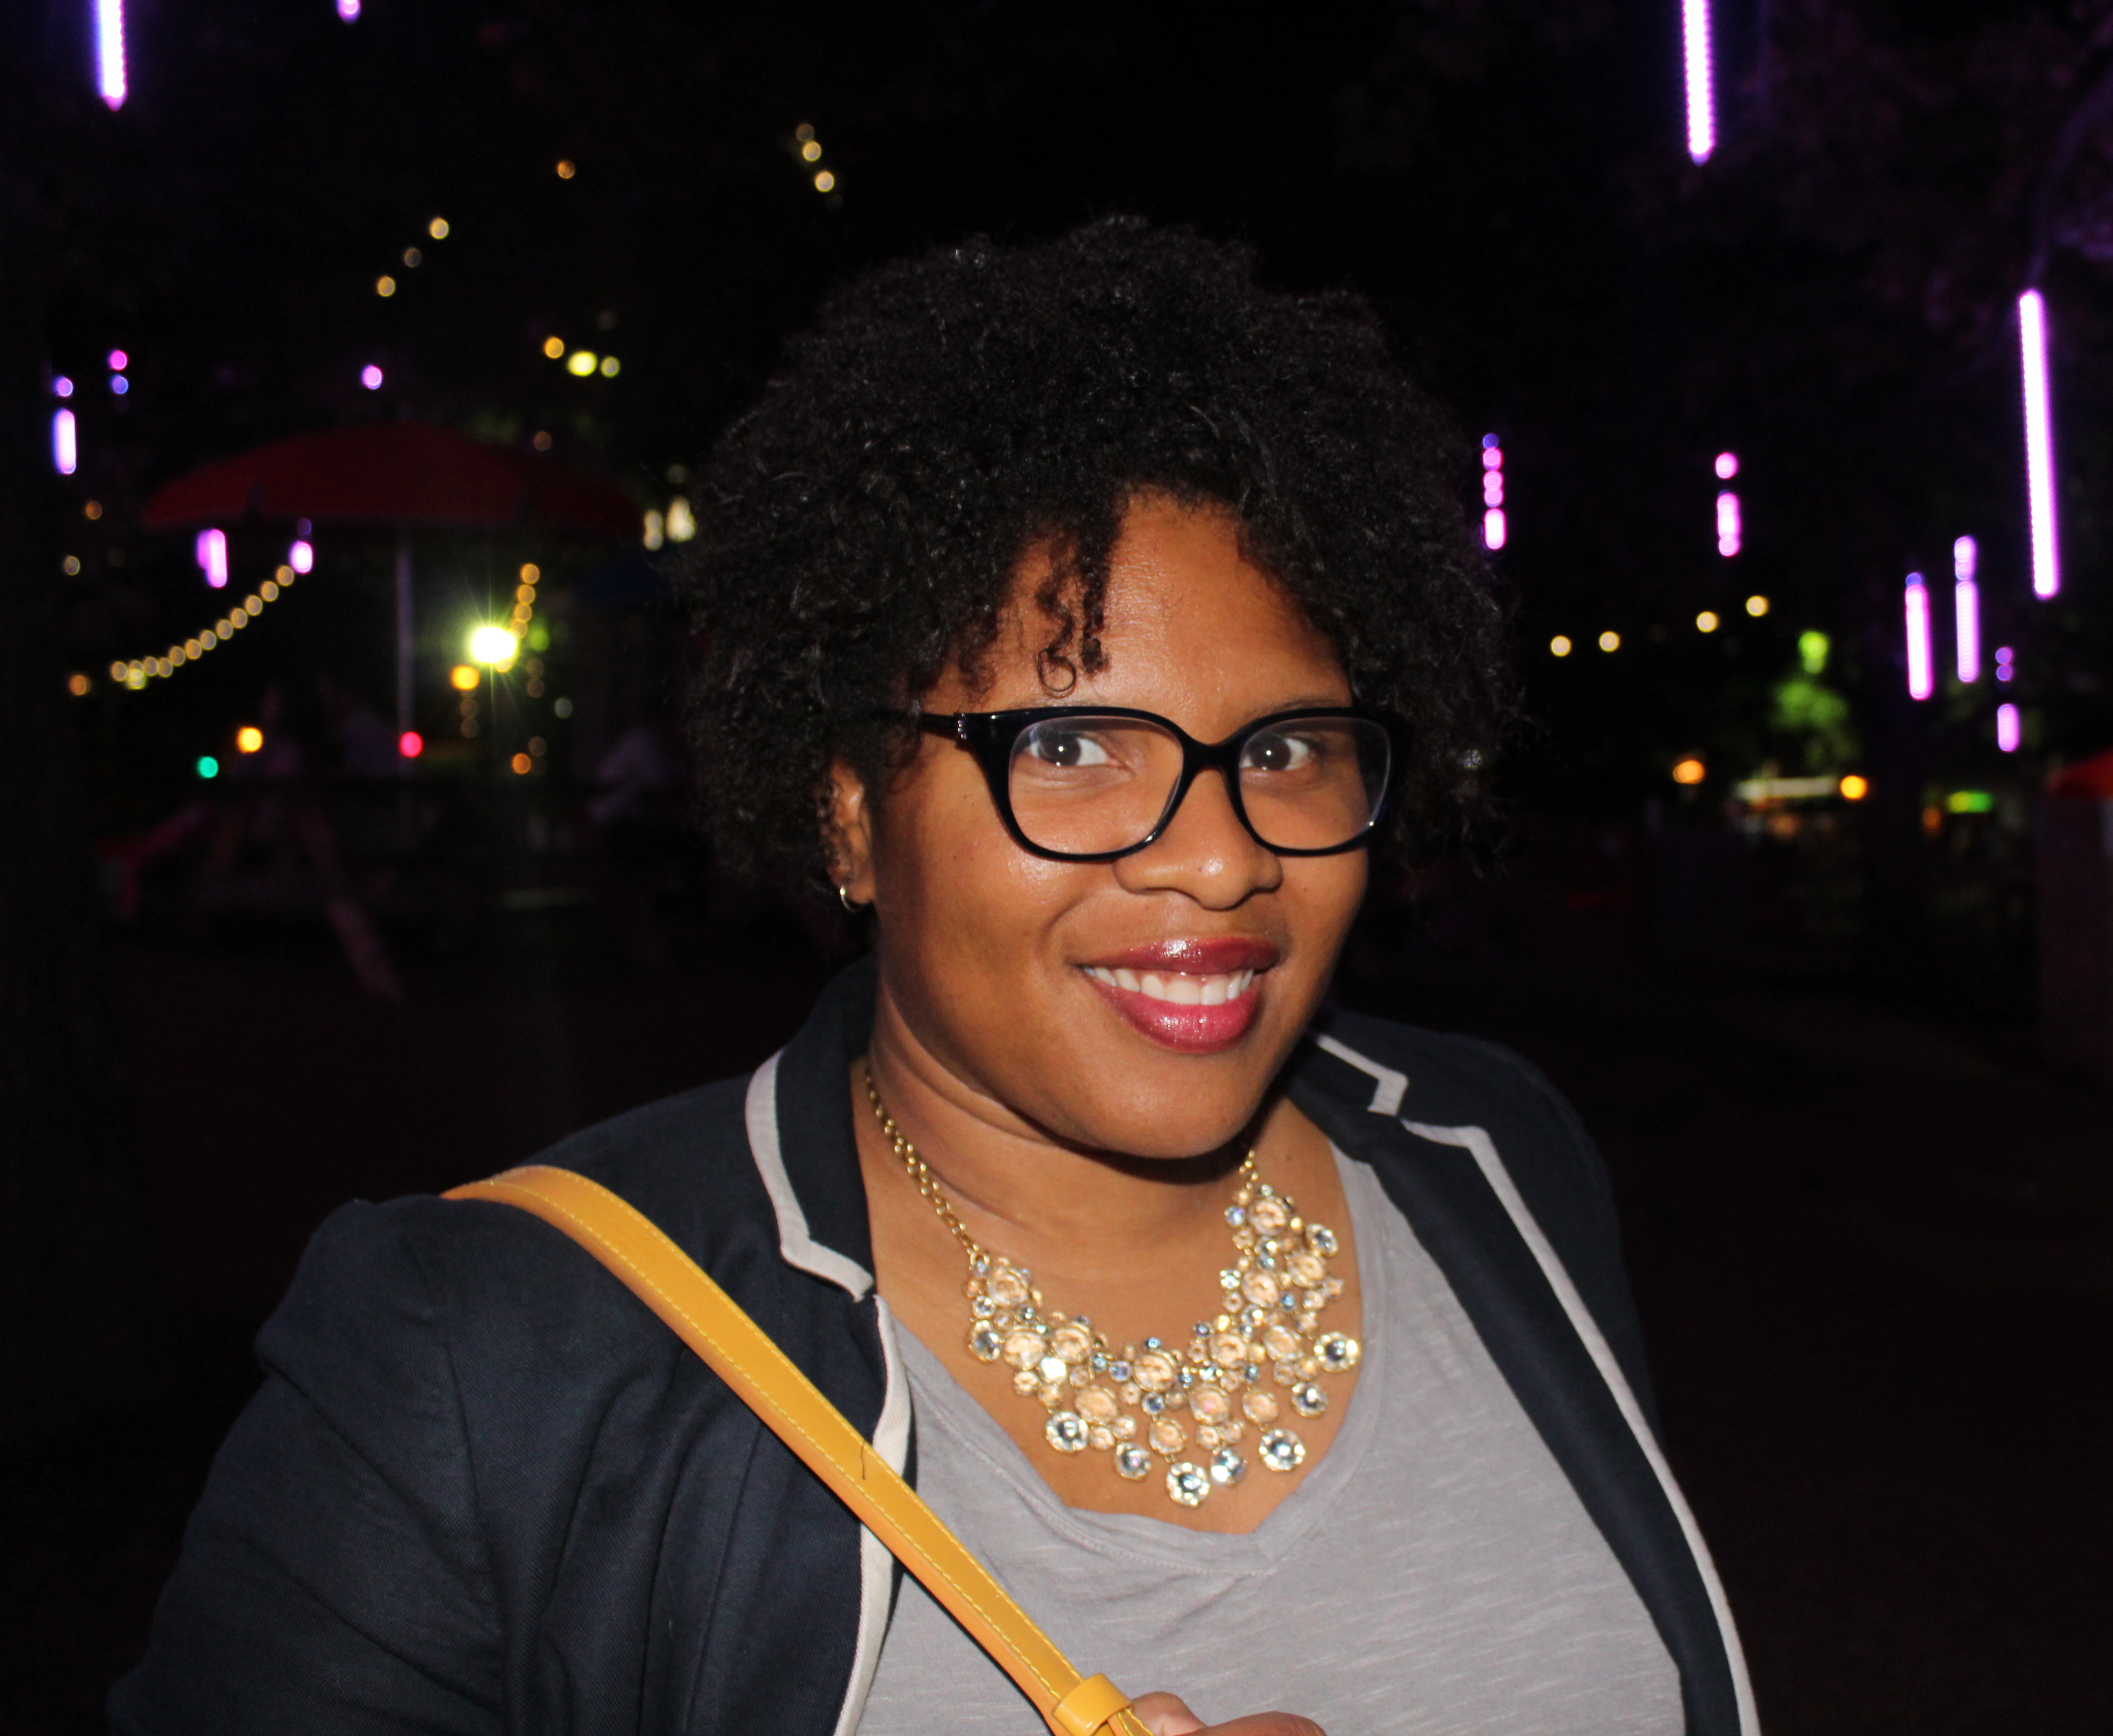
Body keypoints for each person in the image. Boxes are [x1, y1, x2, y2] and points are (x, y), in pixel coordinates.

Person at [112, 222, 1757, 1735]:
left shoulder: (1495, 1155)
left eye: (1286, 749)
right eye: (1071, 744)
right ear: (850, 812)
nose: (1219, 859)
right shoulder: (482, 1362)